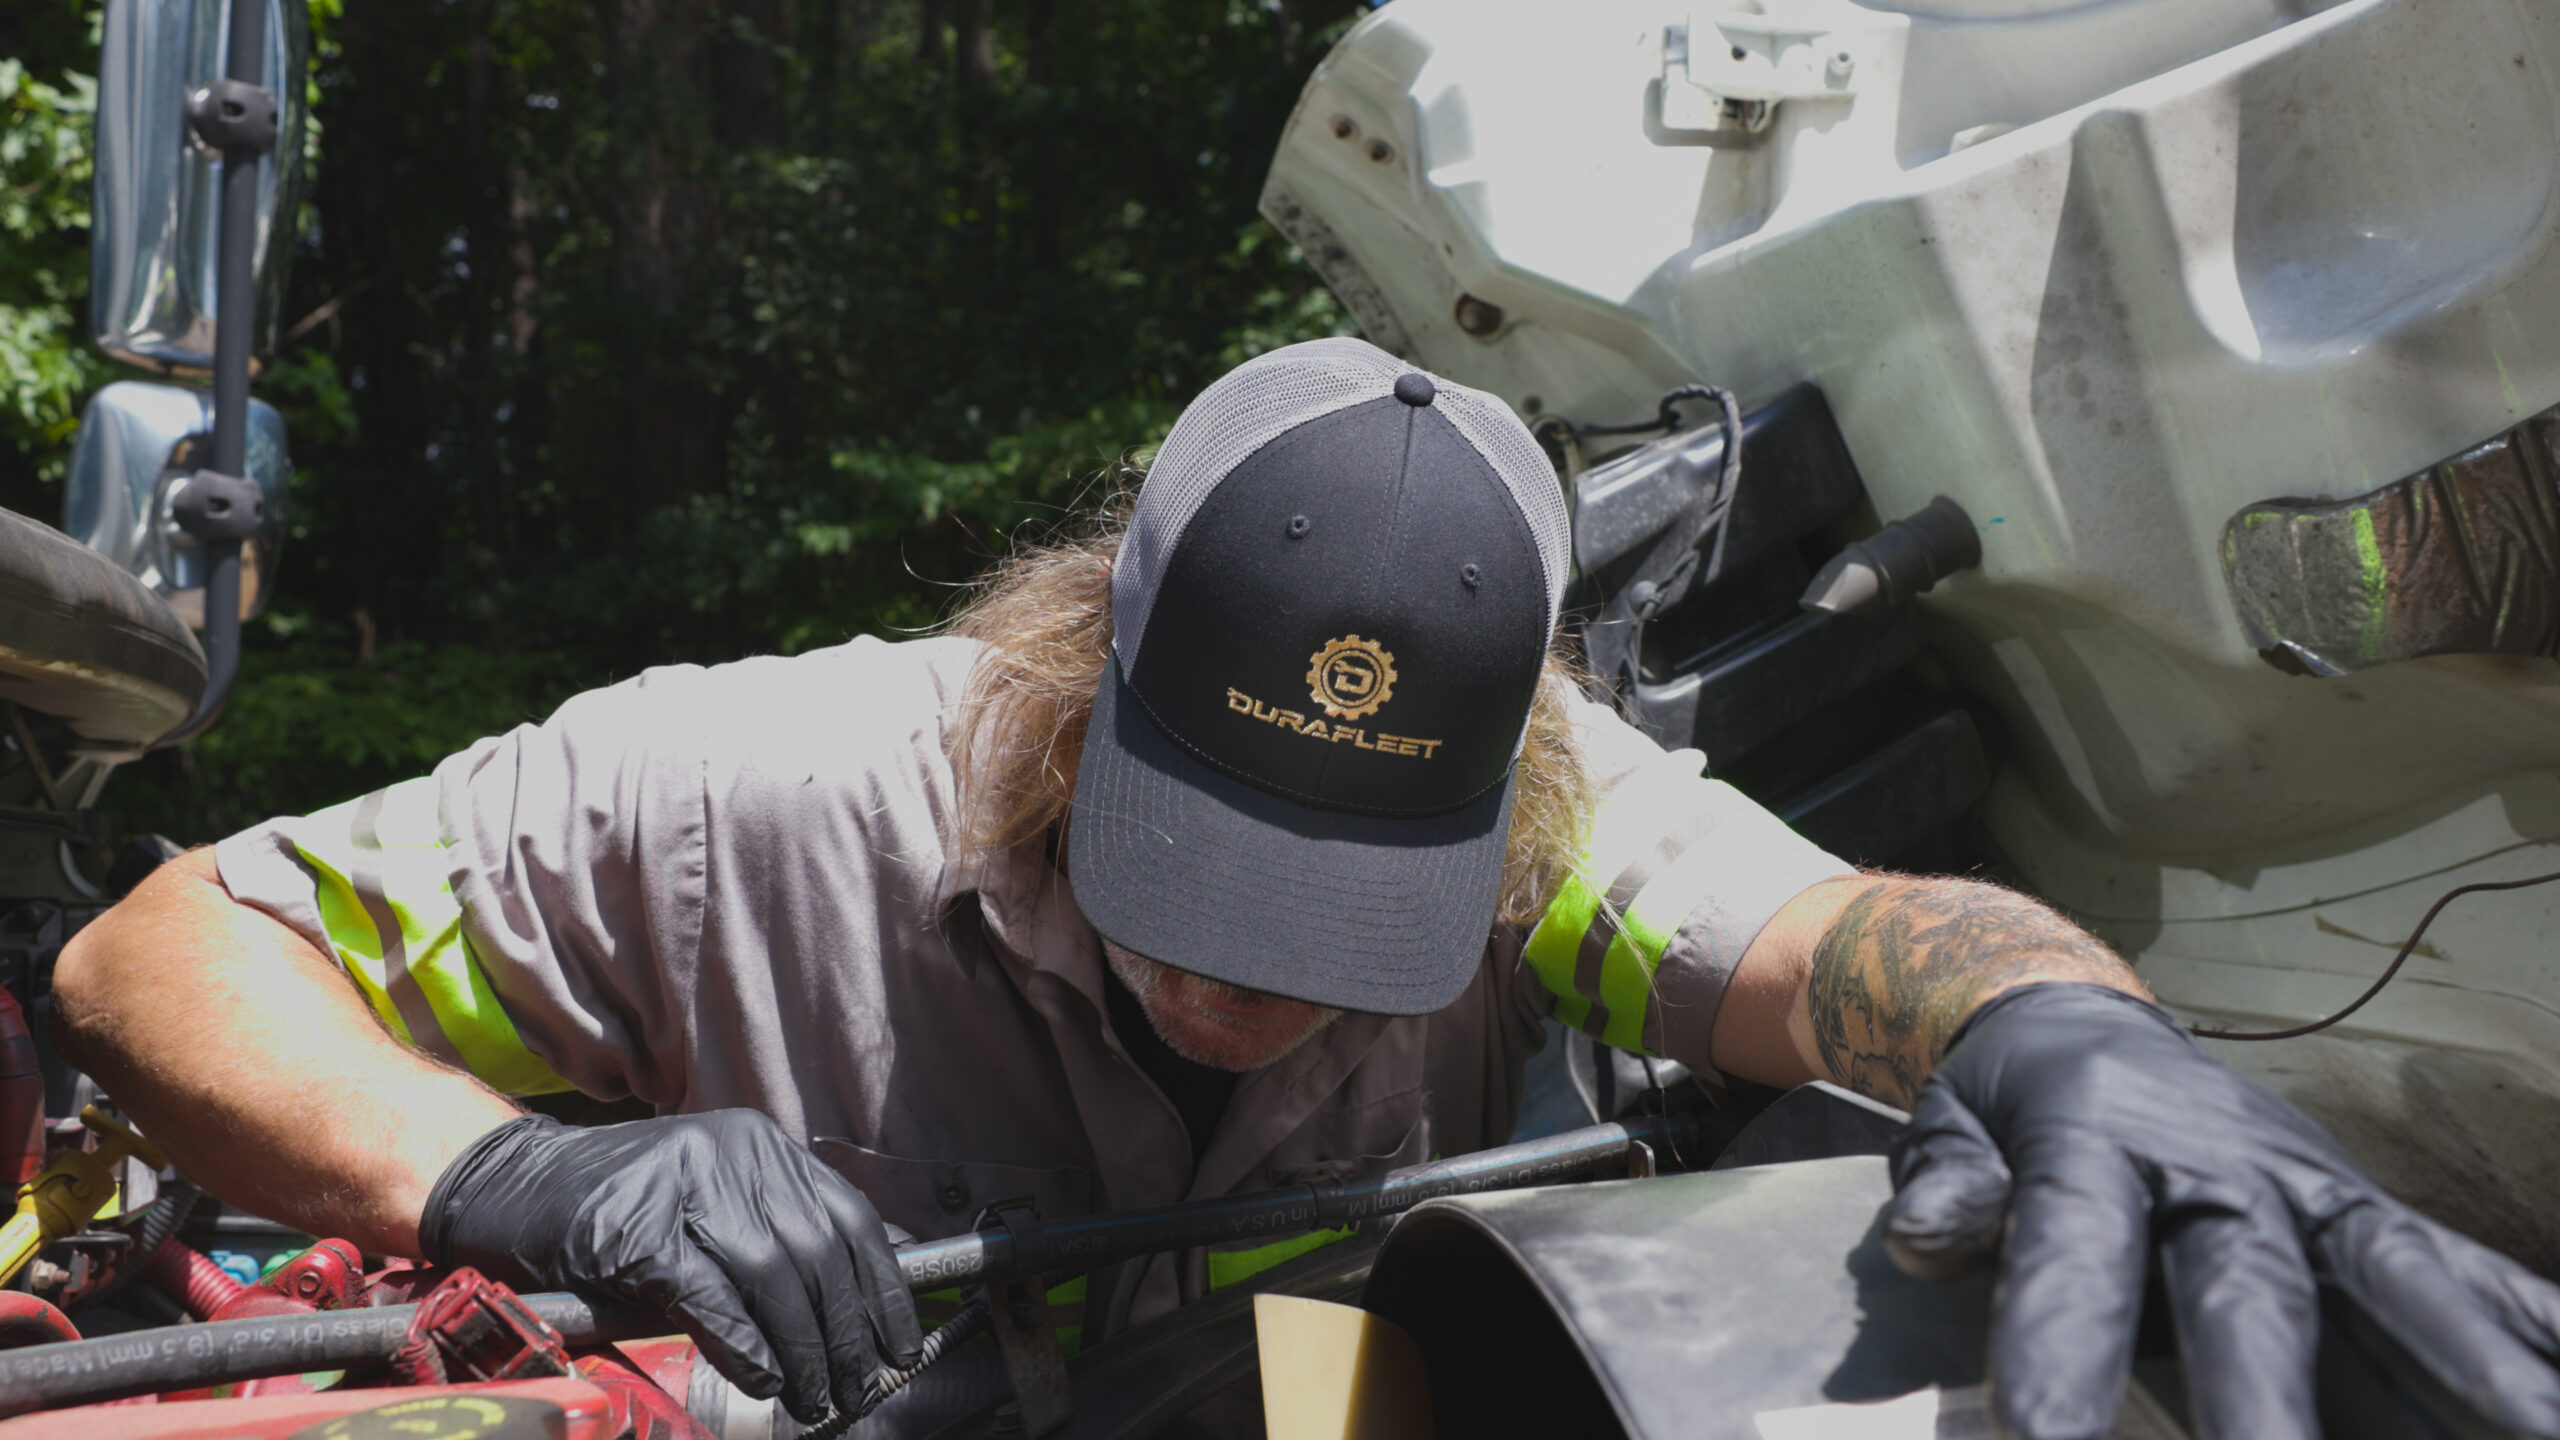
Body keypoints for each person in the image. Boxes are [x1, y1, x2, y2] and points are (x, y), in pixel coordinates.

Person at [52, 340, 2560, 1440]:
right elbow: (144, 950)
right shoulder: (744, 787)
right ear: (1077, 685)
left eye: (1341, 905)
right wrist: (515, 1166)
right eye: (1202, 871)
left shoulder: (1558, 829)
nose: (1251, 980)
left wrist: (2063, 1034)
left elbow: (1848, 945)